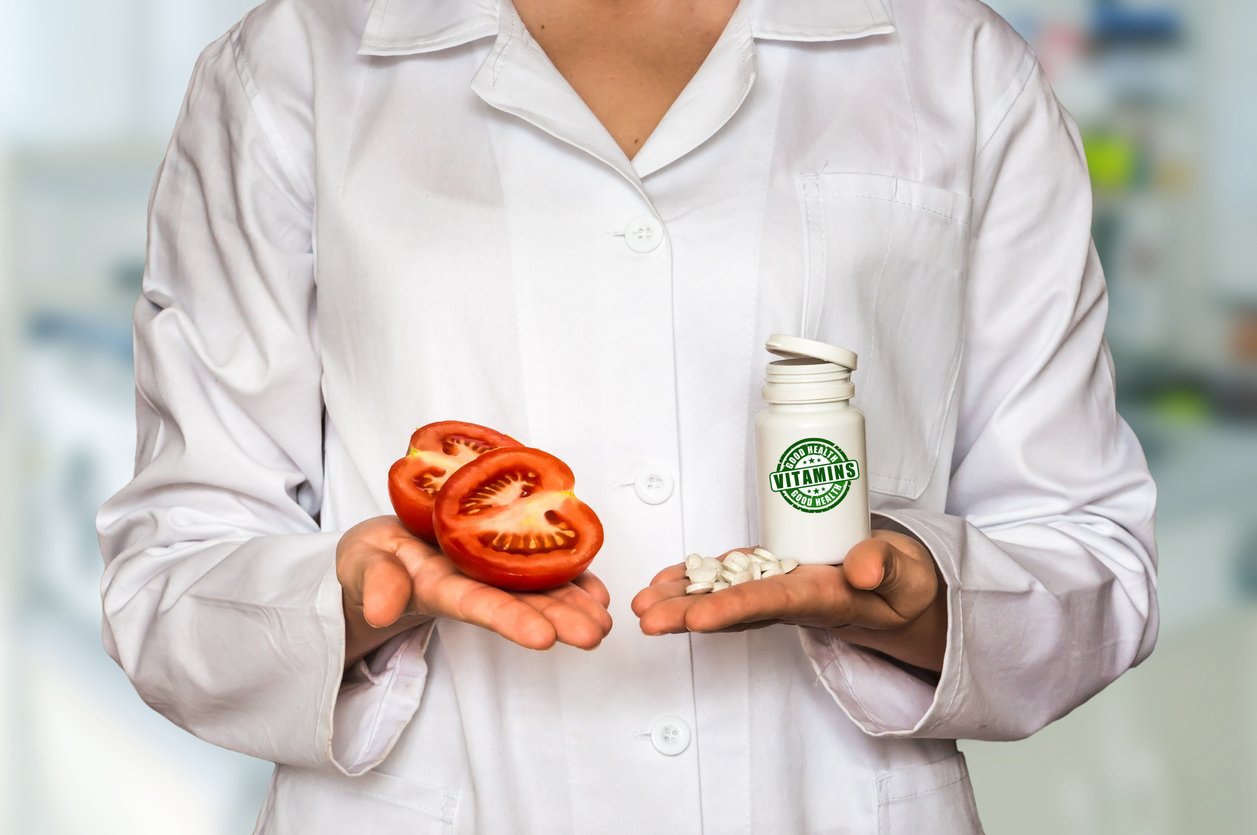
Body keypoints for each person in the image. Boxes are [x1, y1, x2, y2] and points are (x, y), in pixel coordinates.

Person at [96, 0, 1159, 831]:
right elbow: (171, 576)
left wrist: (925, 599)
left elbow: (1093, 558)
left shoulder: (959, 66)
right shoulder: (293, 68)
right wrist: (362, 597)